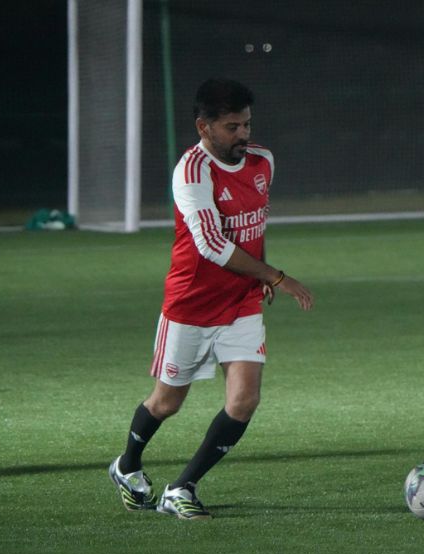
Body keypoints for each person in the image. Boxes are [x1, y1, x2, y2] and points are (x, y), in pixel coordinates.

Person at [108, 78, 314, 519]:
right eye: (232, 127)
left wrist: (260, 273)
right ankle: (127, 467)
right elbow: (211, 245)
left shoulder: (263, 162)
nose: (244, 135)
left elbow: (254, 226)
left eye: (247, 124)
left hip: (240, 302)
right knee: (167, 403)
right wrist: (276, 277)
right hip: (191, 304)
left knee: (243, 401)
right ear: (204, 127)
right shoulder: (192, 172)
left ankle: (182, 487)